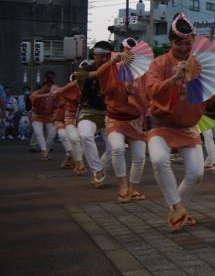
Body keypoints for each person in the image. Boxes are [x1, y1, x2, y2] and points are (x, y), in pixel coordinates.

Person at [146, 14, 215, 231]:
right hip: (160, 125)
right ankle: (176, 206)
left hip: (188, 127)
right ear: (170, 41)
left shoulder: (201, 64)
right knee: (158, 160)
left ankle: (179, 208)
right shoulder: (159, 63)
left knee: (196, 172)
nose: (184, 48)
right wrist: (174, 79)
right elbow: (152, 89)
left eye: (188, 43)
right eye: (179, 43)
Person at [93, 39, 150, 204]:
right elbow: (98, 75)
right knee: (117, 149)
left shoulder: (143, 72)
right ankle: (122, 186)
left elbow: (151, 93)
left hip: (136, 120)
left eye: (133, 53)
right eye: (127, 52)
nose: (130, 55)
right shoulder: (112, 67)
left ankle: (133, 189)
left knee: (139, 157)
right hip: (115, 118)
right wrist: (113, 61)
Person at [75, 43, 115, 188]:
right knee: (85, 135)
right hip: (88, 113)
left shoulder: (117, 70)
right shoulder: (85, 70)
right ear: (94, 55)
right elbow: (94, 75)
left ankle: (99, 173)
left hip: (109, 114)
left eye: (107, 55)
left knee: (116, 148)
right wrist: (111, 63)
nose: (104, 58)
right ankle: (97, 171)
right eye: (101, 55)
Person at [53, 76, 84, 174]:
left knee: (81, 140)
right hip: (62, 119)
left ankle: (73, 160)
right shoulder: (65, 90)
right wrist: (74, 82)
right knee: (68, 137)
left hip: (82, 117)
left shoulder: (89, 89)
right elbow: (57, 93)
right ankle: (78, 162)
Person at [29, 72, 58, 161]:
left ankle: (46, 151)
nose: (48, 87)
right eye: (47, 85)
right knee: (39, 133)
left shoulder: (54, 92)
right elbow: (32, 97)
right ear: (43, 85)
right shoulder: (37, 93)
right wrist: (45, 95)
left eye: (50, 86)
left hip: (49, 116)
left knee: (52, 134)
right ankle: (44, 152)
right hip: (37, 115)